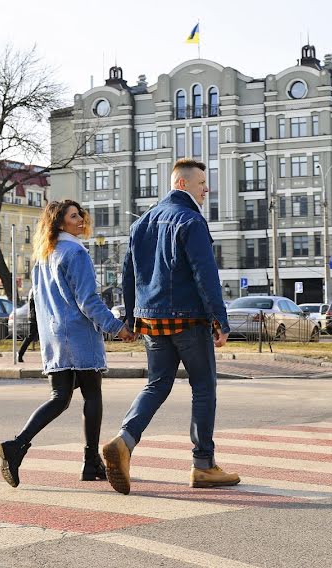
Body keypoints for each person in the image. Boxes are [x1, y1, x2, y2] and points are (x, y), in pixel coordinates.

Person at [102, 158, 238, 495]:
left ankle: (124, 440)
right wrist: (220, 318)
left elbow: (128, 275)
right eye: (201, 183)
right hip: (189, 319)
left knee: (156, 385)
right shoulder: (191, 220)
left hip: (151, 321)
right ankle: (203, 465)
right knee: (203, 387)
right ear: (181, 184)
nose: (207, 189)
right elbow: (205, 274)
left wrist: (132, 318)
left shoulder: (142, 223)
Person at [0, 200, 134, 487]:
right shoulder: (76, 252)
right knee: (92, 394)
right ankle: (88, 461)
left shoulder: (44, 256)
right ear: (60, 223)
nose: (81, 219)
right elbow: (88, 301)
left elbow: (40, 302)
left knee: (60, 397)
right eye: (74, 216)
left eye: (81, 214)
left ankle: (18, 445)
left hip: (55, 335)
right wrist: (116, 327)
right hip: (78, 333)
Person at [16, 289, 37, 363]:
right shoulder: (34, 289)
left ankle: (20, 354)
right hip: (35, 317)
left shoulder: (34, 289)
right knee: (30, 336)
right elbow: (34, 305)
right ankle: (20, 354)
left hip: (34, 317)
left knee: (31, 336)